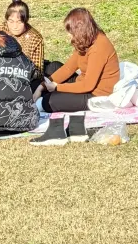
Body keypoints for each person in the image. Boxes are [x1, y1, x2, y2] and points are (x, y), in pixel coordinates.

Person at [30, 8, 119, 146]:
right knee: (53, 67)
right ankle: (33, 94)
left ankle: (35, 105)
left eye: (70, 33)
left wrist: (57, 87)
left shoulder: (99, 47)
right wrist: (42, 87)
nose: (69, 36)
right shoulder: (85, 41)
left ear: (80, 30)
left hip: (96, 94)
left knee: (51, 100)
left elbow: (88, 85)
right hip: (84, 84)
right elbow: (68, 68)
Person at [0, 0, 46, 85]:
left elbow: (38, 72)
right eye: (11, 21)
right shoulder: (1, 29)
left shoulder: (35, 38)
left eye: (19, 22)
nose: (14, 26)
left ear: (26, 20)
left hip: (23, 78)